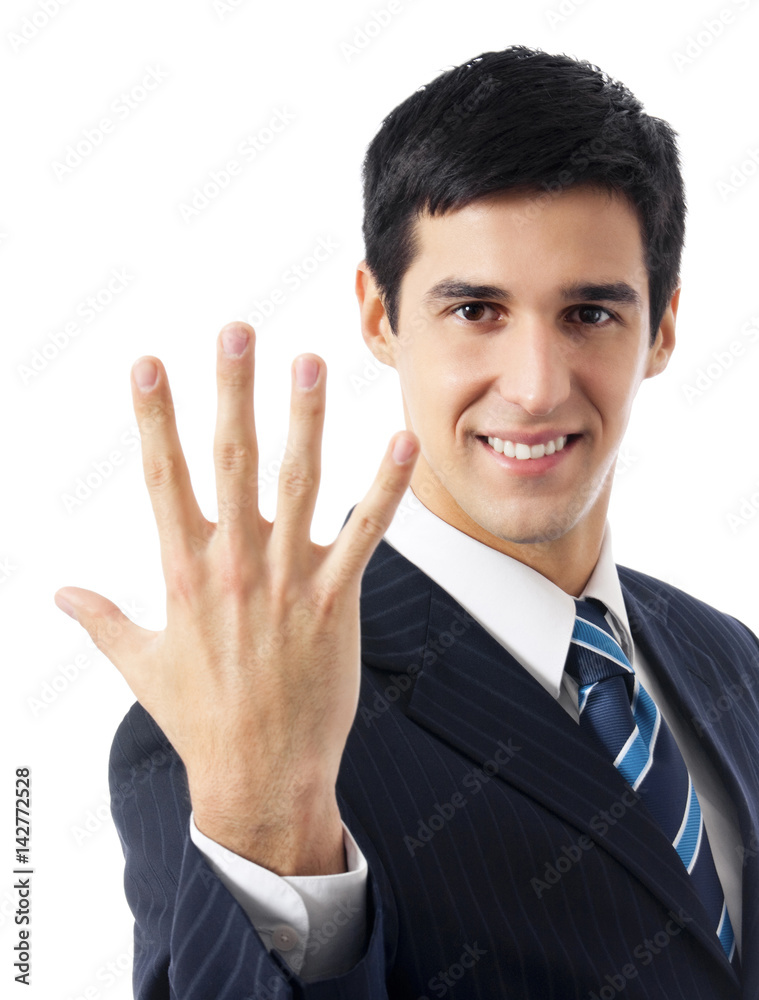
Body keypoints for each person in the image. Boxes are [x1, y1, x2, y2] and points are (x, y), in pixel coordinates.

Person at [54, 45, 759, 998]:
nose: (535, 386)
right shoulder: (229, 708)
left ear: (662, 329)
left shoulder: (728, 657)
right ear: (379, 317)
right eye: (475, 310)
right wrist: (273, 829)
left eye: (589, 314)